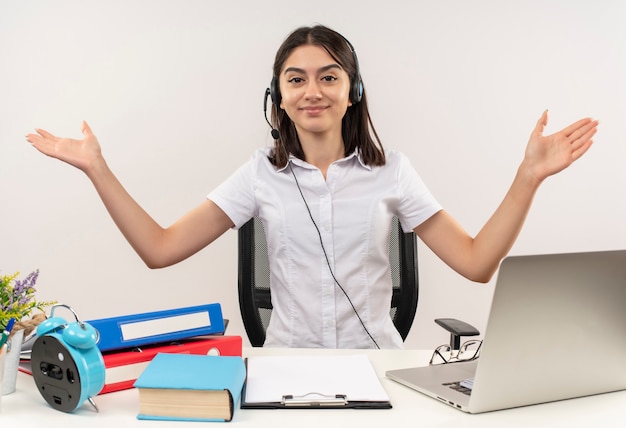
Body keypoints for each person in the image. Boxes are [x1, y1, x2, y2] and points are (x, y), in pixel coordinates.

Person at [25, 25, 598, 349]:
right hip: (286, 371)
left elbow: (475, 262)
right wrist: (97, 168)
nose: (313, 91)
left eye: (329, 77)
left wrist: (527, 178)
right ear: (277, 96)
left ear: (354, 91)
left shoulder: (392, 171)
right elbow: (159, 249)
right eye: (295, 80)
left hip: (379, 371)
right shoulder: (259, 174)